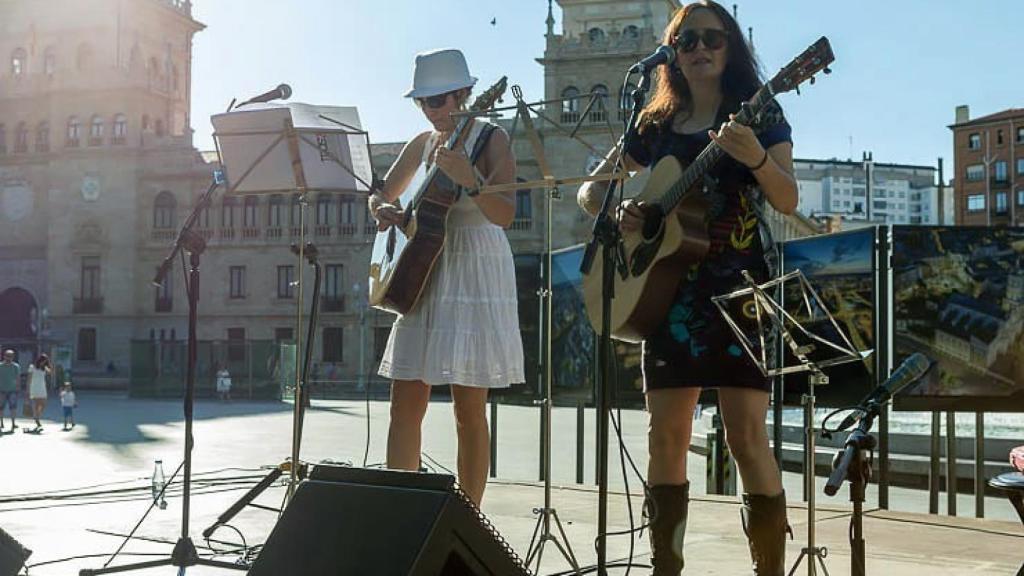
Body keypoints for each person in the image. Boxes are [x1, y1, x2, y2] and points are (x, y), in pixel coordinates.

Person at [577, 3, 797, 574]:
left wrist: (754, 159)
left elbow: (788, 198)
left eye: (712, 38)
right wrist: (624, 204)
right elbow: (588, 193)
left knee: (747, 435)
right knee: (665, 437)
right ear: (670, 52)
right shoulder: (653, 125)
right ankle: (666, 568)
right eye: (686, 39)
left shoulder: (758, 114)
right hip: (667, 294)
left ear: (732, 47)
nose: (699, 48)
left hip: (738, 289)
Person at [368, 48, 524, 506]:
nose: (430, 110)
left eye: (437, 101)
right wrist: (381, 210)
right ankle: (403, 509)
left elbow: (505, 214)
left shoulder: (492, 139)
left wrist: (471, 178)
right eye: (423, 102)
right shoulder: (422, 142)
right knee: (404, 402)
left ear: (465, 96)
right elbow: (380, 192)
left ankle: (468, 518)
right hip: (422, 268)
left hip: (474, 267)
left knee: (468, 409)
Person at [27, 354, 52, 431]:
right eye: (43, 361)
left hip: (42, 387)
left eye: (45, 361)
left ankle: (36, 416)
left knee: (43, 403)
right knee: (37, 404)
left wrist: (48, 364)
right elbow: (29, 379)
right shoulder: (32, 367)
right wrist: (28, 389)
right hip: (34, 387)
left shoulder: (44, 368)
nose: (44, 363)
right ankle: (37, 419)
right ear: (39, 360)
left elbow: (51, 372)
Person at [0, 350, 20, 432]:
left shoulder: (16, 366)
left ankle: (13, 423)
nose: (9, 358)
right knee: (1, 408)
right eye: (7, 356)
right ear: (4, 356)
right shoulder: (0, 366)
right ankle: (1, 423)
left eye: (10, 356)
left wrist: (18, 388)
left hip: (12, 390)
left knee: (13, 408)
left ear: (13, 357)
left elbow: (18, 377)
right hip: (1, 390)